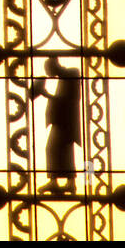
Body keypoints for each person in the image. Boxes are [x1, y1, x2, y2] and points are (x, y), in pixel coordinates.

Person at [34, 58, 81, 193]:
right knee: (59, 149)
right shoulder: (64, 77)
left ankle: (63, 182)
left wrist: (45, 93)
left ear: (54, 66)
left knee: (54, 148)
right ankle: (64, 182)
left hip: (66, 120)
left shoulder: (72, 74)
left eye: (48, 70)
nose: (48, 74)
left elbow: (67, 100)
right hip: (61, 120)